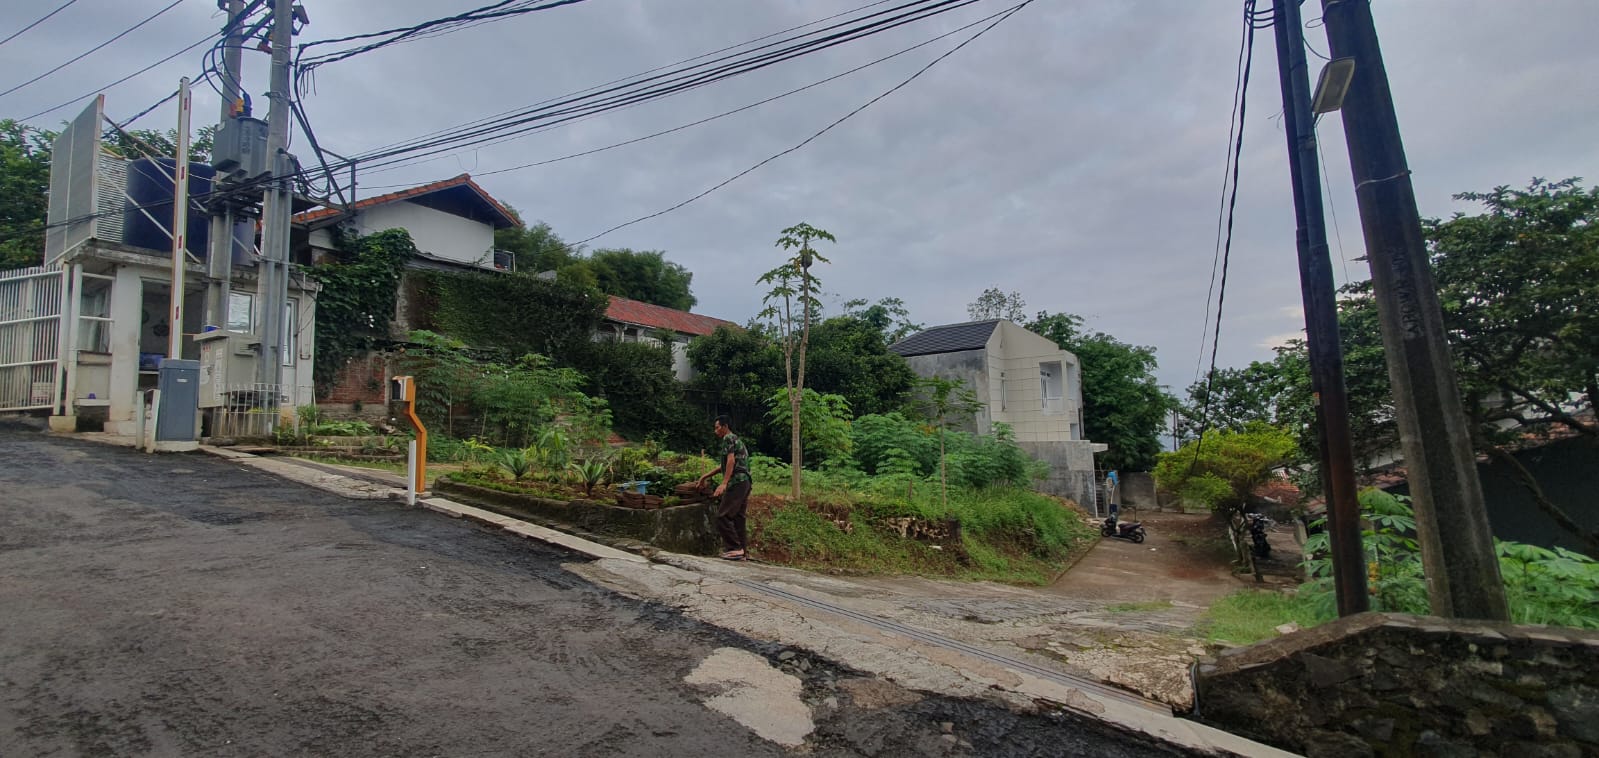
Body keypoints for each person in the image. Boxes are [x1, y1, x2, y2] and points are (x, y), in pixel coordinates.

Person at [697, 414, 752, 561]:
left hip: (737, 482)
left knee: (723, 515)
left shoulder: (728, 438)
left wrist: (724, 483)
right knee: (738, 518)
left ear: (725, 427)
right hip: (746, 482)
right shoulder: (736, 440)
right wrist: (705, 476)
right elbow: (723, 465)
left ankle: (735, 548)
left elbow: (731, 462)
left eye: (717, 427)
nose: (715, 431)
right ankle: (742, 552)